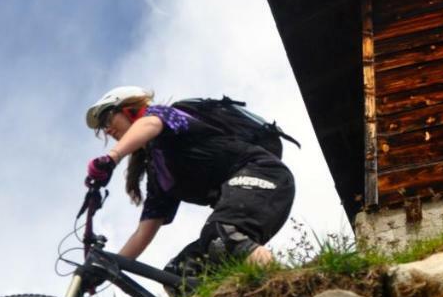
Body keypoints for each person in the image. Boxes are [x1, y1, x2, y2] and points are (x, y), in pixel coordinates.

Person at [83, 86, 296, 279]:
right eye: (102, 127)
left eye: (108, 118)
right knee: (180, 273)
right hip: (249, 193)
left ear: (129, 109)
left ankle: (285, 290)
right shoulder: (160, 176)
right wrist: (104, 270)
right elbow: (142, 234)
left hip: (263, 173)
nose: (107, 130)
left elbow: (151, 123)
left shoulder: (167, 115)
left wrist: (112, 158)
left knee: (222, 235)